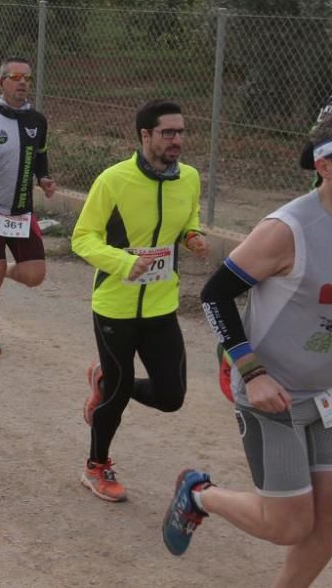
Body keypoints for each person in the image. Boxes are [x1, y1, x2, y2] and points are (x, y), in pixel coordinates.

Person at [161, 128, 332, 586]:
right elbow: (216, 295)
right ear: (325, 166)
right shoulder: (289, 229)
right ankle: (200, 494)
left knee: (328, 525)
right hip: (272, 396)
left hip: (326, 396)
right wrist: (251, 372)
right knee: (289, 525)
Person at [70, 99, 210, 502]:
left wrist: (192, 237)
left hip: (161, 306)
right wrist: (121, 262)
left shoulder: (190, 178)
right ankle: (96, 466)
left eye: (181, 132)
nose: (177, 140)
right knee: (116, 393)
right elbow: (83, 237)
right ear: (145, 135)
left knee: (171, 396)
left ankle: (105, 378)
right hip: (115, 305)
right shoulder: (114, 180)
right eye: (168, 133)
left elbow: (187, 221)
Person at [0, 57, 56, 355]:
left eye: (27, 78)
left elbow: (39, 157)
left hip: (20, 210)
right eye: (15, 76)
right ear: (0, 82)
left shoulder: (37, 121)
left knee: (35, 275)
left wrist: (43, 179)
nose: (22, 82)